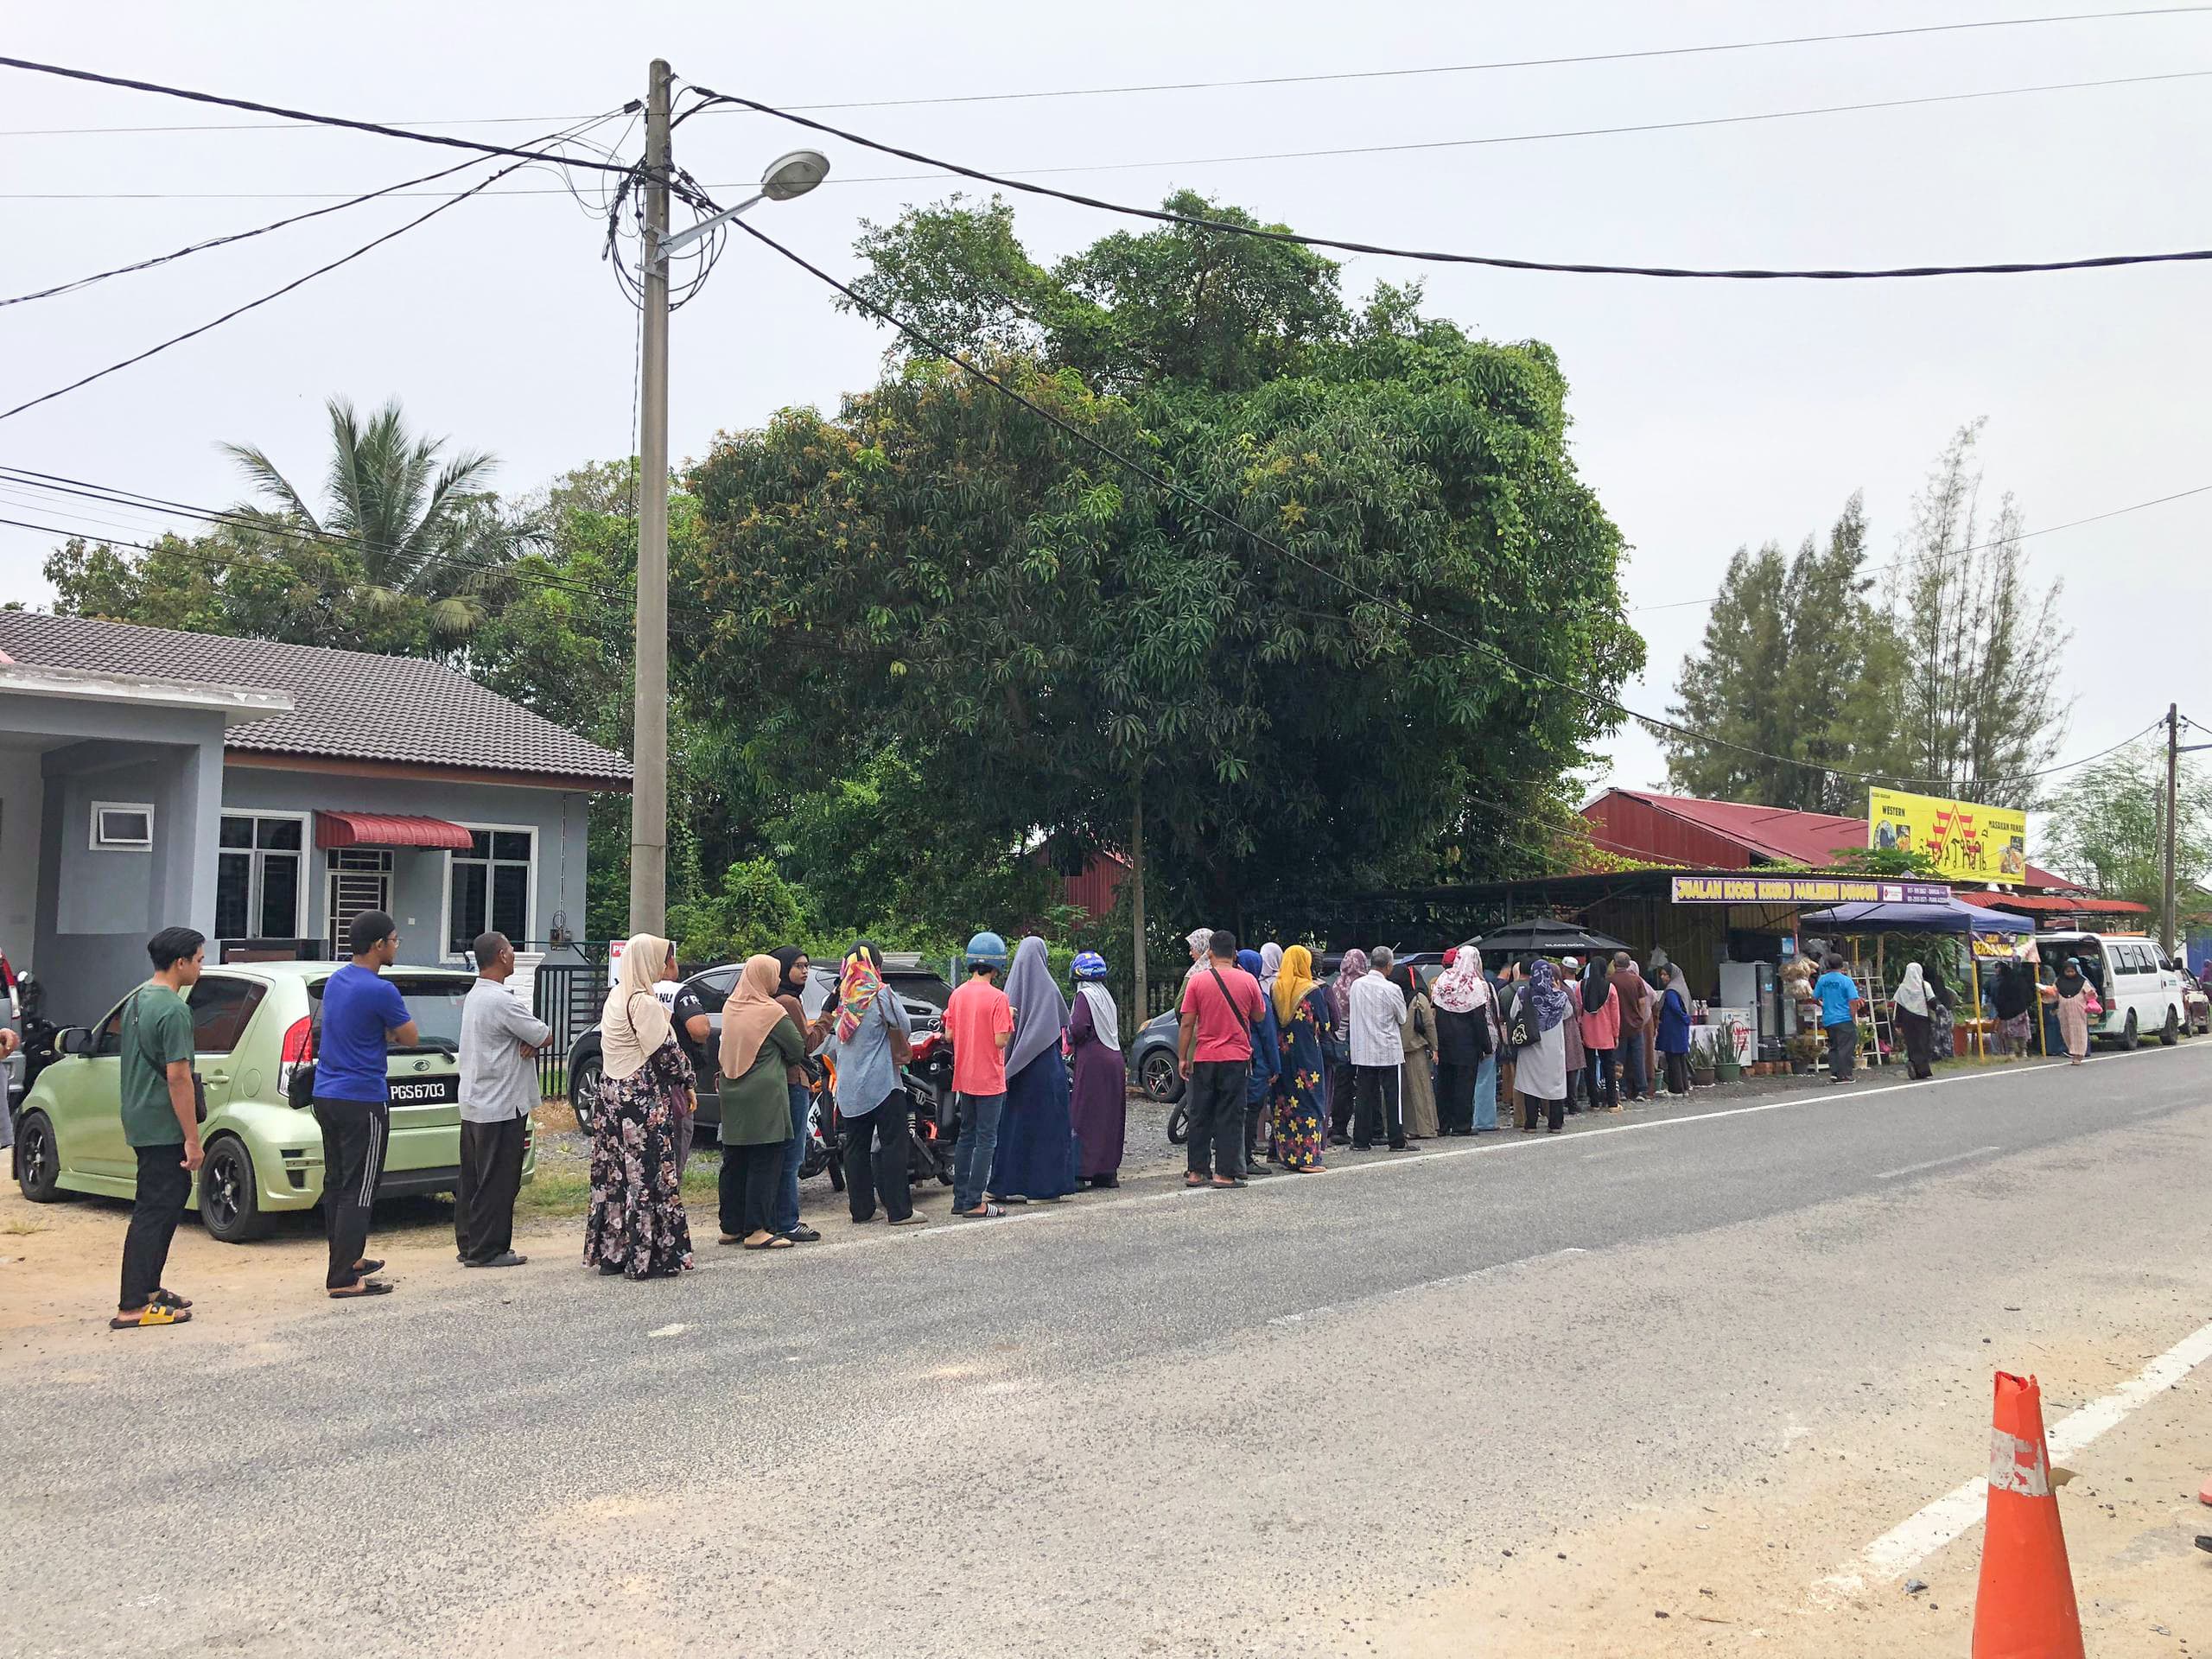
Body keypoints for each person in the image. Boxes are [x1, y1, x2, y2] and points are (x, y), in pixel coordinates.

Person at [314, 911, 418, 1300]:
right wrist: (386, 1031)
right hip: (363, 1096)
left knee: (338, 1182)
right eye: (394, 940)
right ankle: (343, 1276)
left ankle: (346, 1259)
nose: (395, 945)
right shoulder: (381, 990)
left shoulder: (337, 980)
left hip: (327, 1093)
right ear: (378, 946)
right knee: (361, 1186)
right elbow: (409, 1036)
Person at [111, 926, 207, 1329]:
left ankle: (149, 1288)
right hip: (163, 1123)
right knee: (155, 1209)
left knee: (161, 1203)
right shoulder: (173, 1009)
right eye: (199, 960)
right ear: (180, 962)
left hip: (139, 1114)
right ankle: (133, 1303)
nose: (202, 967)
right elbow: (178, 1077)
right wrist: (193, 1138)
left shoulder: (137, 998)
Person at [583, 932, 695, 1279]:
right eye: (664, 960)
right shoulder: (643, 1003)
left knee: (614, 1173)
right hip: (640, 1097)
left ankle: (612, 1252)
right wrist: (688, 1082)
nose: (669, 966)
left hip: (610, 1093)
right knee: (649, 1174)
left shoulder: (616, 995)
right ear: (648, 963)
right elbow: (666, 1054)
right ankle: (650, 1256)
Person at [455, 931, 550, 1269]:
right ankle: (489, 1249)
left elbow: (530, 1037)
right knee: (498, 1179)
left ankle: (468, 1242)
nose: (513, 953)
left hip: (475, 1100)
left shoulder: (476, 996)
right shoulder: (502, 1000)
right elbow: (544, 1034)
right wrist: (532, 1042)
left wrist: (526, 1042)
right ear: (501, 955)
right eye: (510, 948)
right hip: (500, 1103)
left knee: (473, 1178)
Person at [717, 955, 808, 1249]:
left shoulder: (730, 1006)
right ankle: (758, 1230)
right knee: (765, 1160)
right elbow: (796, 1049)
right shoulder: (772, 1011)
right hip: (764, 1094)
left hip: (731, 1090)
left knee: (735, 1161)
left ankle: (730, 1227)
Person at [833, 940, 920, 1226]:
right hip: (882, 1084)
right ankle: (899, 1211)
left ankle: (862, 1210)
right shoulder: (879, 994)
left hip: (848, 1087)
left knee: (855, 1148)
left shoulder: (840, 997)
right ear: (876, 966)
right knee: (893, 1144)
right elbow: (904, 1026)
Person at [1177, 928, 1267, 1187]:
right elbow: (1259, 1016)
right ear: (1235, 953)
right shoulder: (1248, 980)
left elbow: (1187, 1024)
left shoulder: (1197, 981)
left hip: (1204, 1056)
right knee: (1230, 1115)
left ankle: (1196, 1171)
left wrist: (1183, 1057)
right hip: (1236, 1057)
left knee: (1200, 1114)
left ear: (1211, 953)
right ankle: (1224, 1174)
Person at [992, 935, 1078, 1203]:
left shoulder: (1009, 989)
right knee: (1047, 1128)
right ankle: (1042, 1189)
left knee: (1015, 1126)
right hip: (1045, 1066)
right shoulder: (1049, 988)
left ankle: (1004, 1185)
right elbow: (1064, 1023)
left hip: (1017, 1068)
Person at [944, 932, 1014, 1217]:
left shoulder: (957, 994)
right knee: (987, 1140)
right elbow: (1000, 1040)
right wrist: (1010, 1017)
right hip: (990, 1079)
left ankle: (960, 1198)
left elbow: (949, 1035)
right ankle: (976, 1201)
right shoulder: (999, 999)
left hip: (965, 1077)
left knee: (966, 1137)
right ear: (997, 966)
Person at [767, 947, 828, 1243]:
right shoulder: (789, 1001)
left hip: (779, 1082)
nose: (804, 971)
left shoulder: (771, 997)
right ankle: (788, 1221)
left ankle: (775, 1217)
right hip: (794, 1082)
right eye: (798, 966)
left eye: (807, 965)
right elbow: (806, 1045)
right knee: (793, 1156)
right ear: (782, 969)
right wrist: (828, 1016)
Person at [1269, 944, 1332, 1173]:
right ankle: (1308, 1159)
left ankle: (1286, 1155)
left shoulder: (1275, 989)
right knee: (1310, 1102)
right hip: (1307, 1057)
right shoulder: (1311, 990)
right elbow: (1325, 1024)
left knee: (1284, 1103)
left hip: (1282, 1054)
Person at [1068, 950, 1127, 1189]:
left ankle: (1083, 1170)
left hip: (1094, 1060)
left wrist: (1067, 1030)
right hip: (1114, 1057)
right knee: (1110, 1115)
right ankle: (1107, 1171)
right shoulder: (1107, 997)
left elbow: (1080, 1028)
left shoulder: (1085, 996)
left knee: (1086, 1113)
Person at [1347, 946, 1409, 1151]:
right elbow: (1402, 1017)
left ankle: (1360, 1140)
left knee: (1364, 1095)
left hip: (1363, 1048)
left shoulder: (1356, 985)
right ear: (1389, 966)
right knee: (1393, 1096)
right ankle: (1396, 1139)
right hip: (1388, 1048)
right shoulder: (1392, 989)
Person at [658, 957, 711, 1179]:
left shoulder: (627, 991)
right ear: (670, 962)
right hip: (674, 1081)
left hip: (633, 1084)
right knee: (676, 1145)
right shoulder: (678, 992)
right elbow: (700, 1029)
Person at [1430, 946, 1493, 1136]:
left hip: (1444, 1041)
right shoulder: (1474, 986)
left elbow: (1436, 1011)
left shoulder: (1443, 980)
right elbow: (1479, 1021)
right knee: (1464, 1085)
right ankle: (1461, 1125)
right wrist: (1486, 1046)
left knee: (1444, 1084)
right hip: (1467, 1045)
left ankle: (1443, 1123)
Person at [1510, 958, 1570, 1134]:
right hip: (1554, 1045)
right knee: (1555, 1083)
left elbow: (1514, 1014)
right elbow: (1568, 1014)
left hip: (1531, 1043)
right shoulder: (1560, 996)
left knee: (1531, 1083)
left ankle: (1531, 1123)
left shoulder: (1523, 993)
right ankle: (1555, 1124)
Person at [1236, 947, 1282, 1170]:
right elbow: (1268, 1034)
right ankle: (1246, 1157)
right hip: (1256, 1059)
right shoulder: (1258, 996)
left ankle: (1234, 1157)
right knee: (1253, 1108)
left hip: (1233, 1057)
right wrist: (1276, 1066)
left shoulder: (1232, 990)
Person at [1324, 947, 1368, 1146]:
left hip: (1337, 1038)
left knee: (1340, 1082)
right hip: (1356, 1038)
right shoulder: (1361, 985)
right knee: (1355, 1083)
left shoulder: (1337, 985)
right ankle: (1344, 1126)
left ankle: (1337, 1124)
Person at [1395, 962, 1440, 1142]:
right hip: (1416, 1049)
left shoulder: (1394, 995)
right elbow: (1429, 1024)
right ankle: (1426, 1128)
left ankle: (1406, 1128)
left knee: (1403, 1093)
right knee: (1421, 1089)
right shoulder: (1418, 998)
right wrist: (1434, 1047)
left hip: (1396, 1050)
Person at [1579, 957, 1622, 1112]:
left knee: (1589, 1068)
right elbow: (1615, 1015)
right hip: (1606, 1033)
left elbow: (1579, 1010)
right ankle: (1612, 1103)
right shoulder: (1610, 988)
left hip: (1587, 1033)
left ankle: (1594, 1102)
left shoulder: (1581, 986)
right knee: (1608, 1068)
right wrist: (1616, 1034)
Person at [1813, 954, 1862, 1083]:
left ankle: (1834, 1073)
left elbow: (1814, 997)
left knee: (1834, 1046)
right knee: (1846, 1047)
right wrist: (1853, 1016)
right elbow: (1853, 1001)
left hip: (1828, 1018)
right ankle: (1844, 1074)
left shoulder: (1823, 980)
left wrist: (1823, 1005)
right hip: (1844, 1018)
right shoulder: (1846, 981)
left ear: (1827, 965)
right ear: (1842, 965)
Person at [1611, 952, 1650, 1102]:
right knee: (1638, 1058)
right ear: (1628, 964)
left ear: (1615, 963)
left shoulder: (1610, 981)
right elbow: (1642, 1002)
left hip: (1619, 1027)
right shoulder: (1637, 980)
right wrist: (1639, 1019)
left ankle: (1621, 1090)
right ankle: (1642, 1090)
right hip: (1636, 1025)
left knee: (1619, 1059)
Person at [1894, 962, 1936, 1081]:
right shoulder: (1925, 985)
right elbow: (1933, 1001)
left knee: (1912, 1044)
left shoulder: (1902, 987)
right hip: (1922, 1018)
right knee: (1923, 1043)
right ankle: (1923, 1070)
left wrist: (1898, 1024)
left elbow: (1899, 1006)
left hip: (1907, 1019)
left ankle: (1913, 1064)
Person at [1656, 964, 1694, 1096]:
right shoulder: (1682, 987)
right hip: (1681, 1028)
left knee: (1673, 1058)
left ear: (1672, 975)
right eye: (1662, 974)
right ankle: (1684, 1087)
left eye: (1665, 974)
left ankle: (1676, 1089)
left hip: (1672, 1028)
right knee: (1680, 1058)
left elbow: (1674, 1007)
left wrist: (1683, 1017)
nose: (1663, 977)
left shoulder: (1671, 990)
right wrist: (1686, 1019)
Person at [2047, 956, 2092, 1065]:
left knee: (2079, 1031)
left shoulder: (2082, 981)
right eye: (2068, 971)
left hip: (2078, 1010)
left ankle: (2079, 1055)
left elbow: (2090, 993)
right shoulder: (2059, 982)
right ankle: (2073, 1052)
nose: (2070, 974)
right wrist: (2046, 992)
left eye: (2072, 971)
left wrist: (2091, 1002)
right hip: (2064, 1011)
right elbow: (2054, 994)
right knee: (2066, 1031)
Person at [1558, 957, 1587, 1116]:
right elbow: (1577, 1010)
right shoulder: (1577, 987)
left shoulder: (1558, 988)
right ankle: (1574, 1100)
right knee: (1573, 1066)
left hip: (1558, 1031)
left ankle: (1561, 1100)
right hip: (1572, 1029)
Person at [1992, 958, 2037, 1058]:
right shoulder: (2020, 981)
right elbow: (2028, 994)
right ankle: (2023, 1051)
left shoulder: (2002, 983)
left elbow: (1998, 998)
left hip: (2007, 1013)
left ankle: (2012, 1051)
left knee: (2009, 1032)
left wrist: (2000, 1009)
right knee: (2022, 1031)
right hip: (2021, 1010)